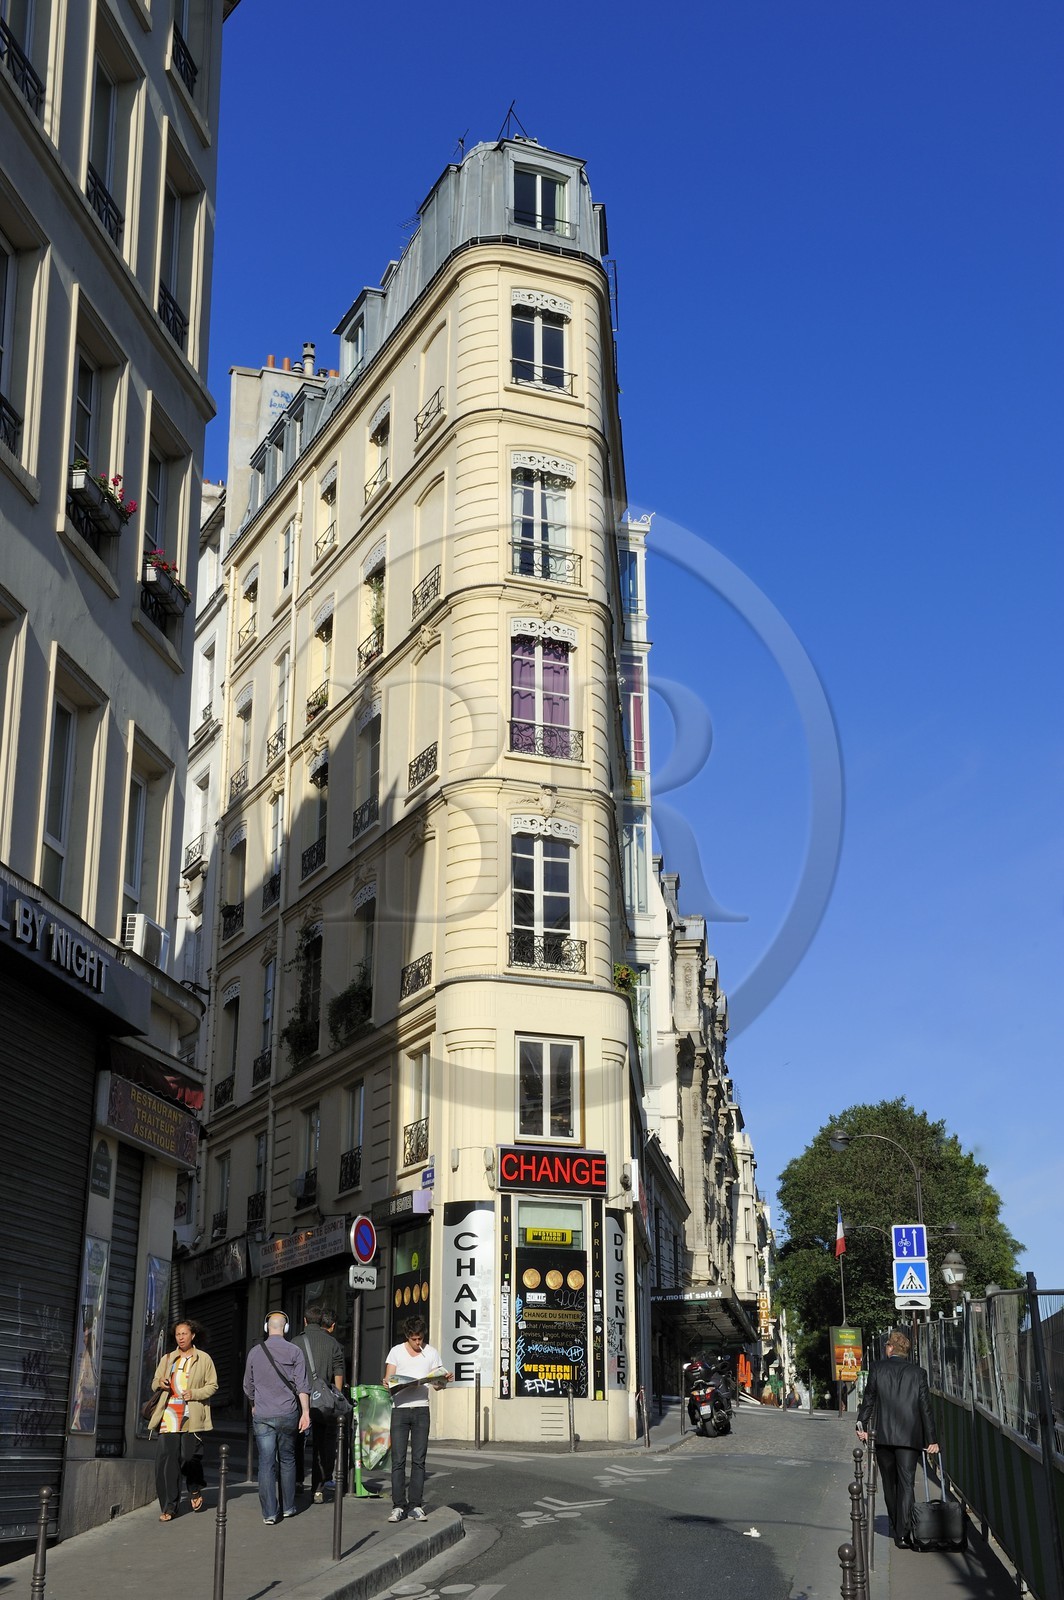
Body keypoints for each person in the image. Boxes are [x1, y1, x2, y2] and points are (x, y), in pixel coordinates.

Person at [857, 1328, 939, 1548]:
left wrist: (861, 1425)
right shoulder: (918, 1373)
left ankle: (896, 1525)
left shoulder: (877, 1369)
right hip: (910, 1438)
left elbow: (869, 1399)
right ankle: (904, 1533)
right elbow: (925, 1408)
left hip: (883, 1436)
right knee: (906, 1483)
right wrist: (932, 1439)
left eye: (886, 1345)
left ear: (890, 1348)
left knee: (889, 1483)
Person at [144, 1319, 218, 1522]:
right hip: (169, 1413)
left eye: (184, 1334)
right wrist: (161, 1383)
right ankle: (169, 1507)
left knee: (188, 1456)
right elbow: (153, 1383)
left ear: (193, 1335)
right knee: (167, 1462)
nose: (181, 1337)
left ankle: (194, 1488)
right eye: (178, 1334)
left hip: (191, 1414)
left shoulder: (203, 1359)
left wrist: (193, 1393)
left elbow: (213, 1386)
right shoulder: (168, 1359)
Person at [243, 1311, 312, 1524]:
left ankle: (270, 1514)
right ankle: (289, 1506)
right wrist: (306, 1413)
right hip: (287, 1413)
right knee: (288, 1459)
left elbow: (248, 1385)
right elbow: (302, 1385)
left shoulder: (254, 1352)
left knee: (265, 1463)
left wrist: (254, 1404)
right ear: (286, 1328)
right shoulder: (295, 1351)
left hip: (263, 1414)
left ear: (267, 1328)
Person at [383, 1315, 451, 1522]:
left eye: (420, 1338)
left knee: (419, 1460)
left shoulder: (431, 1353)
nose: (418, 1343)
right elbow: (389, 1380)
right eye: (414, 1339)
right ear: (407, 1336)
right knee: (398, 1460)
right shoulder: (396, 1351)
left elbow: (437, 1386)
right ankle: (398, 1506)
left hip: (422, 1409)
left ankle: (415, 1505)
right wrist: (389, 1383)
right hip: (400, 1409)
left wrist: (442, 1380)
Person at [293, 1302, 344, 1502]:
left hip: (300, 1400)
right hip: (324, 1401)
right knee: (323, 1445)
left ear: (305, 1321)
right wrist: (336, 1395)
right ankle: (318, 1488)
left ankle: (297, 1481)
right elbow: (338, 1370)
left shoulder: (295, 1342)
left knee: (297, 1441)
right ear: (321, 1321)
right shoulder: (332, 1343)